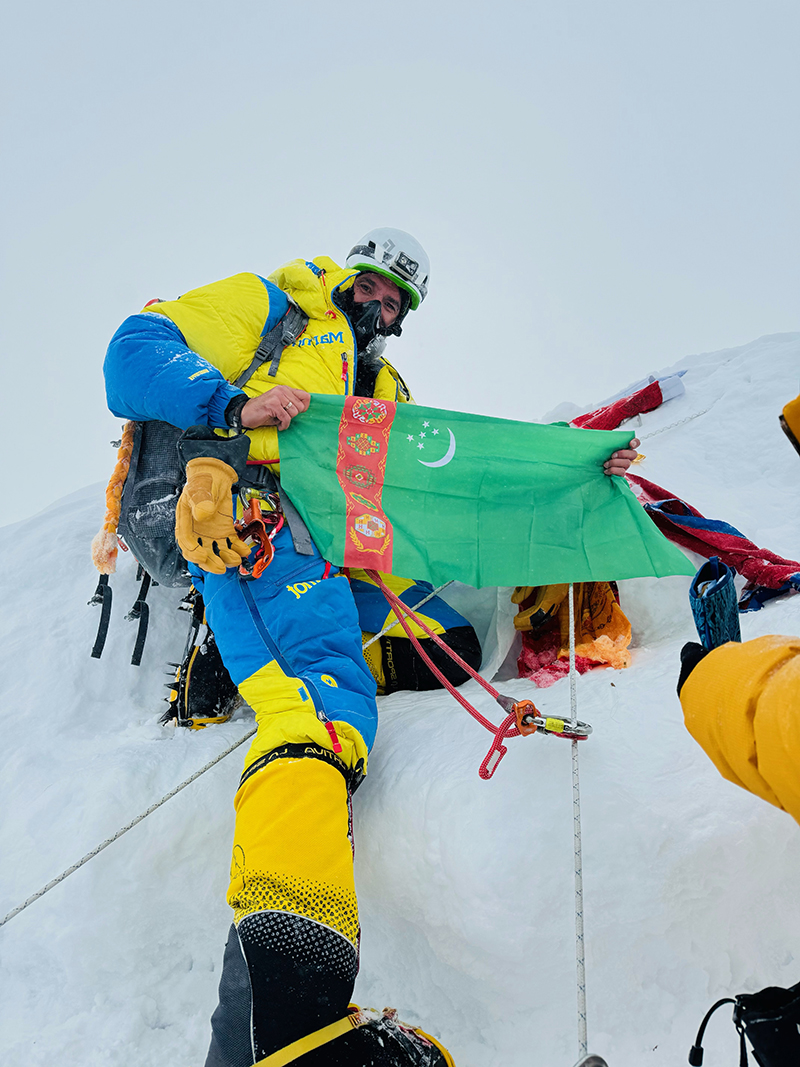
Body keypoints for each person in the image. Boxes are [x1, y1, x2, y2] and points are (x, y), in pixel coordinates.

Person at [103, 228, 640, 1065]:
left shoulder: (385, 385)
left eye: (399, 302)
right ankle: (289, 1020)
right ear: (352, 274)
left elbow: (444, 483)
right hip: (258, 519)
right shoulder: (279, 306)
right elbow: (134, 351)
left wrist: (571, 475)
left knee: (448, 645)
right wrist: (230, 407)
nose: (383, 306)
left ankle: (246, 670)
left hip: (343, 557)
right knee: (323, 707)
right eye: (377, 287)